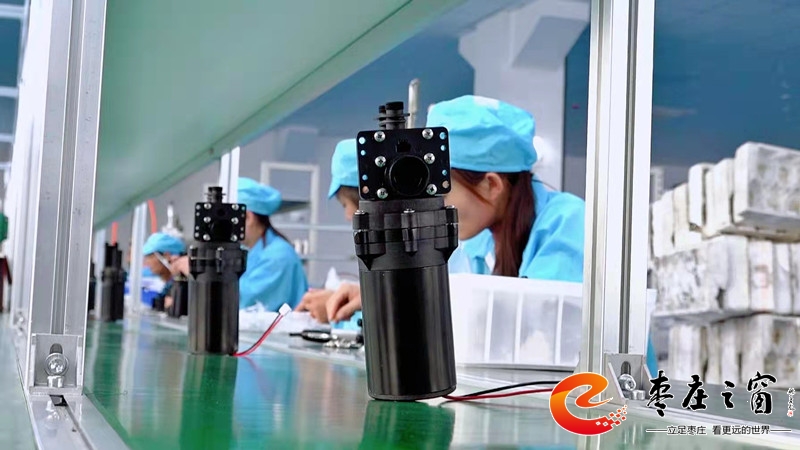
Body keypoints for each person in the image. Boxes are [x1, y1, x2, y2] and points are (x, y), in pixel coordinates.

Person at [326, 95, 586, 322]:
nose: (434, 206)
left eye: (442, 191)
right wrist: (375, 297)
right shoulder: (477, 241)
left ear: (491, 185)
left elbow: (537, 322)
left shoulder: (568, 224)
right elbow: (439, 303)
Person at [296, 138, 495, 324]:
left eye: (345, 205)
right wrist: (368, 298)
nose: (348, 216)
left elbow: (443, 316)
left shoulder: (458, 245)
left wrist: (362, 308)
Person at [171, 178, 308, 310]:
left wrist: (201, 273)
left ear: (248, 217)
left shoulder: (279, 256)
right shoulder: (248, 250)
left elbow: (244, 300)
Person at [142, 232, 187, 309]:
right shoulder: (168, 288)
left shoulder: (183, 288)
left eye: (150, 257)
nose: (146, 262)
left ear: (166, 256)